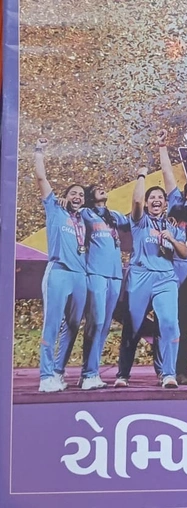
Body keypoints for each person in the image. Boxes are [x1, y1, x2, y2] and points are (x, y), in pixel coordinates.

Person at [115, 167, 187, 389]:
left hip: (166, 278)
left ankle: (168, 373)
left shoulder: (172, 227)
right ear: (147, 203)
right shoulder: (140, 221)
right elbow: (136, 201)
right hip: (141, 276)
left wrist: (172, 240)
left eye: (160, 198)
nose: (156, 200)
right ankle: (123, 374)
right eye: (152, 198)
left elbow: (184, 253)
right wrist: (141, 176)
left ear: (165, 204)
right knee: (133, 326)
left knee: (169, 324)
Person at [33, 138, 87, 393]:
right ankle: (45, 377)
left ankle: (57, 371)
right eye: (73, 193)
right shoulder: (55, 209)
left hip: (80, 276)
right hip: (58, 272)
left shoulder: (84, 219)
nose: (77, 196)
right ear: (65, 196)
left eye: (81, 195)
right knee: (52, 324)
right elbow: (41, 179)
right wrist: (39, 151)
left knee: (73, 326)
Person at [158, 130, 187, 385]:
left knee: (183, 323)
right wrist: (163, 147)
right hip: (167, 271)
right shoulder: (176, 204)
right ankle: (163, 369)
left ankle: (181, 369)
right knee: (165, 322)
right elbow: (167, 175)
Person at [75, 184, 130, 389]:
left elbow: (134, 219)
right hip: (95, 272)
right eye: (97, 188)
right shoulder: (85, 213)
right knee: (95, 322)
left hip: (115, 275)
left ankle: (90, 373)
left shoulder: (114, 216)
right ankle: (89, 373)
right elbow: (70, 211)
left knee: (105, 326)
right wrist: (64, 202)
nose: (102, 189)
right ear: (90, 196)